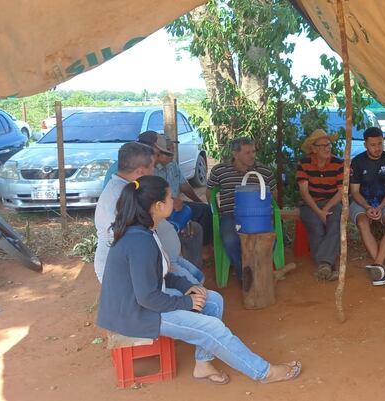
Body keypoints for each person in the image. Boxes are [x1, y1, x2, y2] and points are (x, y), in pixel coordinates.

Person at [97, 175, 301, 384]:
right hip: (135, 314)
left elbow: (161, 273)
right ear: (158, 206)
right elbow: (147, 298)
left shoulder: (146, 231)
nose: (174, 201)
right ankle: (263, 372)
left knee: (213, 301)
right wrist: (186, 302)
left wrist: (188, 286)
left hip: (142, 304)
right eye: (169, 197)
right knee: (212, 329)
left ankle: (203, 364)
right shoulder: (140, 241)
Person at [94, 142, 203, 285]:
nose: (154, 171)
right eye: (152, 167)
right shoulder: (121, 198)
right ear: (140, 172)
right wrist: (160, 265)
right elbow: (133, 245)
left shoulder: (131, 189)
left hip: (160, 261)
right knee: (197, 292)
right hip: (133, 271)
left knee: (198, 279)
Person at [207, 138, 276, 280]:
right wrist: (218, 212)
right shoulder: (219, 170)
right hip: (230, 215)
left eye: (253, 151)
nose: (252, 156)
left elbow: (273, 195)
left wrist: (265, 211)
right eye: (247, 152)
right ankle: (245, 275)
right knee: (230, 240)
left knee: (269, 239)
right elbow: (210, 193)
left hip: (257, 217)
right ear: (235, 154)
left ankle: (258, 271)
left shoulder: (263, 171)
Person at [350, 127, 385, 286]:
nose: (377, 148)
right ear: (365, 144)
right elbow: (355, 192)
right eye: (372, 145)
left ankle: (378, 265)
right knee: (363, 223)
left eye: (380, 143)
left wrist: (380, 206)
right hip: (361, 202)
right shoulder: (357, 161)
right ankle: (380, 267)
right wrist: (367, 207)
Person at [147, 131, 213, 246]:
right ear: (158, 153)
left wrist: (198, 200)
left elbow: (184, 186)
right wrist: (171, 202)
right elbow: (151, 195)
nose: (172, 152)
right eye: (168, 149)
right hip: (161, 207)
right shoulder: (150, 170)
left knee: (205, 210)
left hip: (177, 204)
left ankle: (205, 247)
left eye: (173, 147)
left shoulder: (172, 164)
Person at [296, 129, 344, 281]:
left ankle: (324, 265)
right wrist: (319, 212)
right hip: (310, 204)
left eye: (328, 144)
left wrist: (326, 209)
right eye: (322, 145)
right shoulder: (304, 163)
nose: (327, 148)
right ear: (313, 149)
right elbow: (304, 193)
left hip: (332, 203)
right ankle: (327, 264)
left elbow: (341, 192)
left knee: (335, 221)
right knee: (315, 225)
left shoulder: (338, 163)